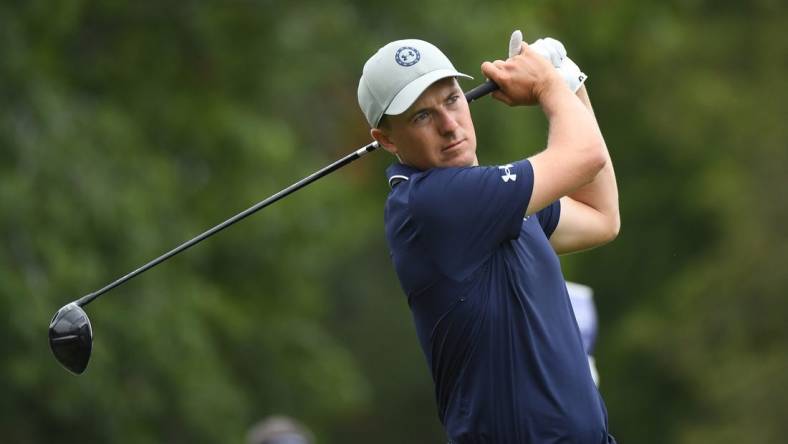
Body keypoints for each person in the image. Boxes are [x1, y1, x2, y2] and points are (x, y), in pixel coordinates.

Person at [357, 33, 620, 443]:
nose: (448, 125)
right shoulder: (431, 203)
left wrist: (570, 82)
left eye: (451, 99)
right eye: (421, 117)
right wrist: (548, 85)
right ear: (386, 140)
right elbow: (585, 157)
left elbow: (601, 216)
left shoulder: (498, 200)